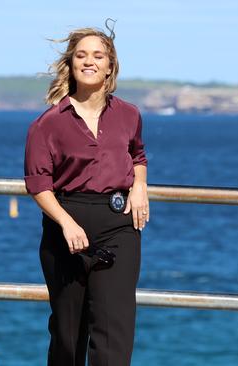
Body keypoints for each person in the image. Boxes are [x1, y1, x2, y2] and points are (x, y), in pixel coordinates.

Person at [24, 24, 149, 366]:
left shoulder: (129, 114)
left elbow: (138, 156)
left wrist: (139, 186)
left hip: (119, 226)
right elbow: (38, 184)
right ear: (71, 64)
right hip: (65, 227)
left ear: (111, 66)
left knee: (115, 332)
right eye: (81, 55)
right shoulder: (47, 123)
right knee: (68, 335)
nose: (89, 61)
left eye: (98, 55)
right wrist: (66, 223)